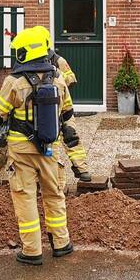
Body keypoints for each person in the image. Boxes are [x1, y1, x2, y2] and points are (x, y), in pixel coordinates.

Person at [0, 26, 77, 265]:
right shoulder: (57, 77)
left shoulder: (13, 81)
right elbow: (68, 112)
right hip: (50, 147)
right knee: (54, 194)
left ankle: (32, 251)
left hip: (21, 150)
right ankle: (61, 243)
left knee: (25, 196)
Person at [35, 27, 91, 182]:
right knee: (51, 142)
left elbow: (71, 78)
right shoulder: (29, 61)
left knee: (70, 135)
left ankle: (81, 168)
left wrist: (57, 82)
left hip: (61, 105)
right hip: (44, 109)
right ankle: (54, 178)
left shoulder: (57, 60)